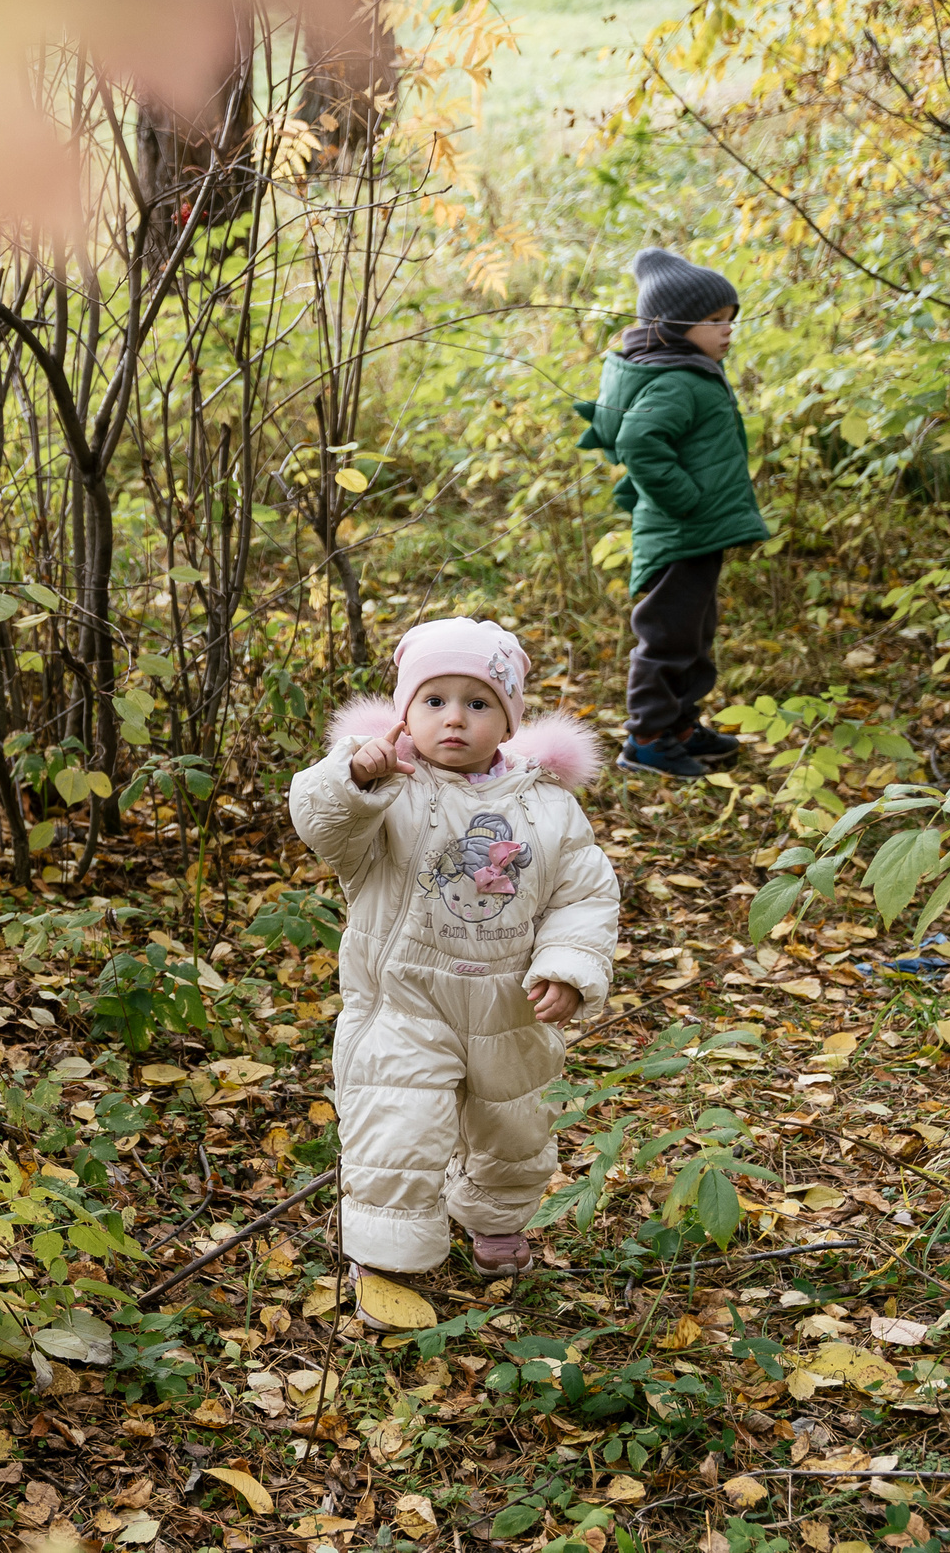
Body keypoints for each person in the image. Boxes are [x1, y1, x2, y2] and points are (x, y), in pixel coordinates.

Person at [290, 618, 620, 1307]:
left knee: (514, 1121)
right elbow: (321, 824)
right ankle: (386, 1258)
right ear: (405, 710)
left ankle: (496, 1221)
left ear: (507, 720)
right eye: (434, 699)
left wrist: (566, 965)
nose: (454, 719)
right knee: (397, 1126)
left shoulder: (547, 805)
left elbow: (583, 892)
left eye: (478, 702)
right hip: (406, 1001)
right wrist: (352, 776)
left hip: (509, 1003)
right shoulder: (388, 789)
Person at [574, 247, 773, 778]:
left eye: (730, 319)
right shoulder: (675, 380)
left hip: (697, 533)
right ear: (671, 326)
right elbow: (640, 441)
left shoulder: (689, 370)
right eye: (713, 321)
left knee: (695, 632)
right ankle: (646, 738)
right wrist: (686, 500)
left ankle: (681, 724)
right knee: (667, 635)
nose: (727, 330)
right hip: (681, 530)